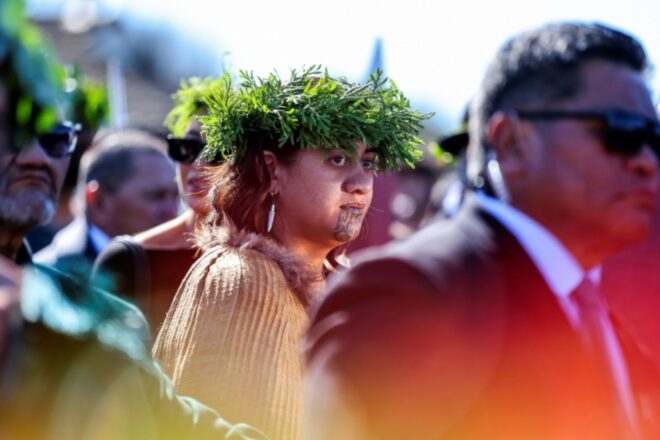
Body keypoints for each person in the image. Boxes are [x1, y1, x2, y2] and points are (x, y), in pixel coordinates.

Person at [305, 22, 660, 440]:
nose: (646, 161)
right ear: (512, 142)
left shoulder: (597, 316)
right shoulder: (412, 292)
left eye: (654, 138)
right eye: (621, 131)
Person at [0, 2, 264, 438]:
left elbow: (177, 422)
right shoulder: (125, 265)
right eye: (10, 135)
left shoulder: (95, 313)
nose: (35, 157)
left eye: (53, 137)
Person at [153, 66, 431, 440]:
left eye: (367, 163)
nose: (362, 184)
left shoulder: (333, 287)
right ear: (272, 171)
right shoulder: (240, 278)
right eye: (337, 159)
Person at [93, 77, 224, 333]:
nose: (197, 164)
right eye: (187, 147)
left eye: (217, 150)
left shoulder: (283, 263)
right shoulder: (127, 260)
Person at [34, 130, 180, 271]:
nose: (172, 213)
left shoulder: (177, 267)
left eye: (176, 197)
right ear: (99, 202)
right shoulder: (48, 278)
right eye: (156, 196)